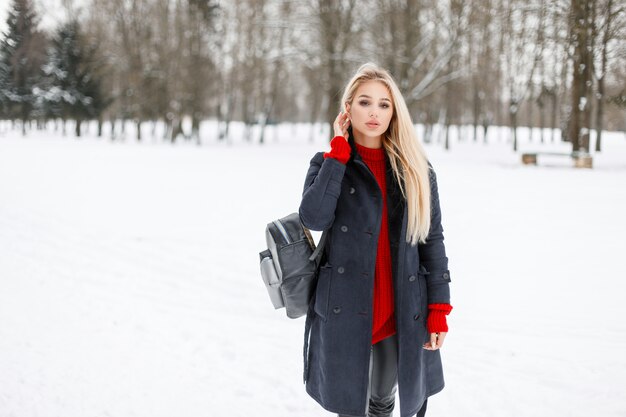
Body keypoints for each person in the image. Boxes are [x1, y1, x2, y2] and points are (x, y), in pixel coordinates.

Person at [298, 63, 453, 417]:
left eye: (384, 104)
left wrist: (439, 308)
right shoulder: (328, 164)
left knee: (382, 401)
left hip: (398, 310)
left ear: (394, 112)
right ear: (348, 108)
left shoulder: (415, 170)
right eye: (365, 102)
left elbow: (433, 241)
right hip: (344, 309)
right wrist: (338, 154)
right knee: (350, 405)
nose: (374, 112)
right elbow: (314, 218)